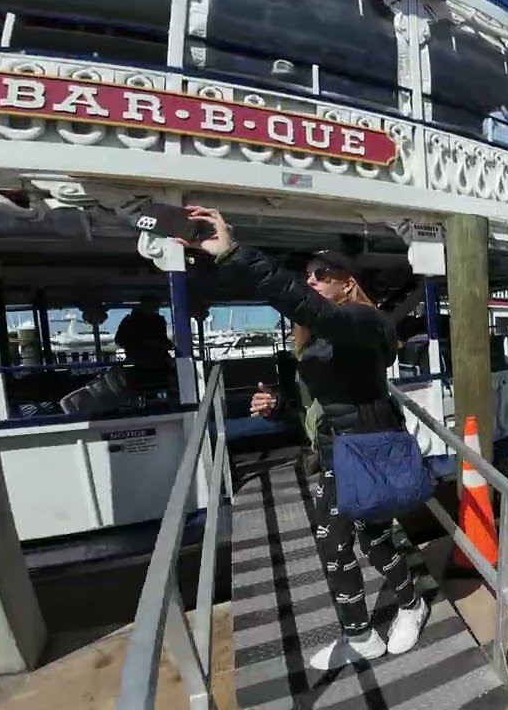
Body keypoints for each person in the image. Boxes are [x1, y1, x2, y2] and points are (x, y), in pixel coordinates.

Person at [184, 206, 428, 669]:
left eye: (322, 274)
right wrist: (281, 407)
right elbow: (321, 409)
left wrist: (234, 253)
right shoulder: (320, 338)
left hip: (367, 450)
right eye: (308, 275)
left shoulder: (366, 322)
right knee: (337, 543)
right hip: (337, 451)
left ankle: (410, 607)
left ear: (348, 283)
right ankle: (360, 635)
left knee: (370, 540)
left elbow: (310, 309)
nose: (311, 280)